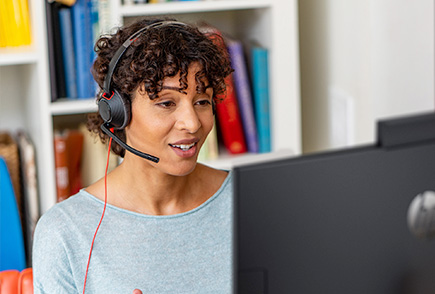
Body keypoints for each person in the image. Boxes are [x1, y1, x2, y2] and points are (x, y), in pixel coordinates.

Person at [32, 17, 234, 293]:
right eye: (166, 103)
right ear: (118, 113)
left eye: (201, 101)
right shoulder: (64, 233)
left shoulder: (250, 202)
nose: (193, 123)